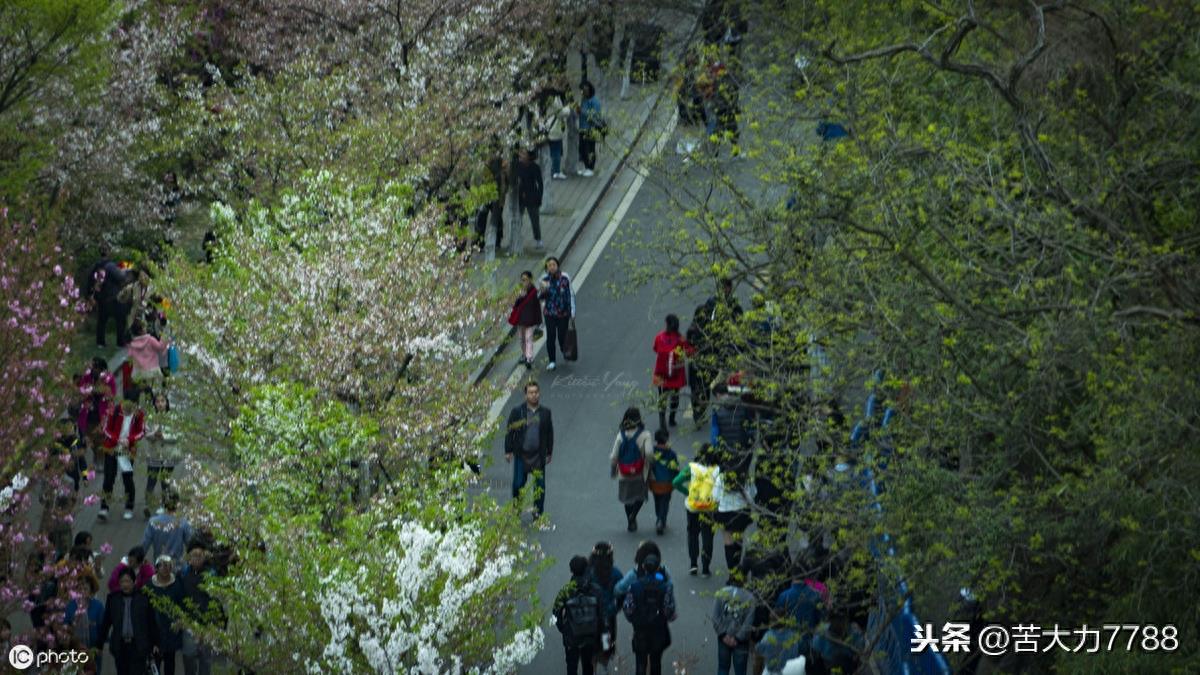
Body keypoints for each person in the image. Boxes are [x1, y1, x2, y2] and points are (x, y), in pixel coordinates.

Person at [620, 549, 677, 675]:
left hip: (640, 628)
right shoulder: (665, 586)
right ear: (658, 568)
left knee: (640, 660)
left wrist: (633, 619)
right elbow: (669, 608)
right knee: (656, 661)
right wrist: (668, 617)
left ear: (644, 567)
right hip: (659, 628)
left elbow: (628, 607)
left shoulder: (634, 586)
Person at [504, 381, 554, 518]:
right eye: (531, 393)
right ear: (526, 395)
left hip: (538, 455)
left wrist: (549, 451)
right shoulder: (517, 412)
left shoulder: (545, 413)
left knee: (540, 486)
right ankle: (516, 507)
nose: (534, 395)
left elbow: (549, 432)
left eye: (536, 392)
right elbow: (510, 431)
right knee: (518, 483)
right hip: (521, 454)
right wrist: (508, 451)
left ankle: (538, 512)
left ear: (539, 393)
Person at [99, 566, 158, 675]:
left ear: (134, 581)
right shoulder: (113, 599)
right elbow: (106, 623)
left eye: (128, 581)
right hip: (120, 646)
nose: (125, 585)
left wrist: (155, 643)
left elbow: (151, 622)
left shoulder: (144, 597)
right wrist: (99, 644)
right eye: (122, 582)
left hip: (138, 645)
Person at [672, 442, 719, 576]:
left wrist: (688, 493)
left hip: (693, 507)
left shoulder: (691, 468)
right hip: (710, 508)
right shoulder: (716, 470)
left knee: (692, 533)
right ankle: (705, 567)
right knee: (708, 536)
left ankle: (693, 564)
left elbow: (675, 482)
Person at [553, 555, 605, 675]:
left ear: (571, 570)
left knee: (571, 666)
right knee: (588, 666)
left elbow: (556, 611)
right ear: (587, 569)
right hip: (590, 635)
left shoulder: (566, 590)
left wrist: (563, 628)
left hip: (571, 635)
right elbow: (602, 613)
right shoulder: (595, 589)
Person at [100, 398, 146, 521]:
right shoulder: (113, 411)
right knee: (109, 478)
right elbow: (106, 429)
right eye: (124, 408)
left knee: (127, 478)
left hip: (127, 450)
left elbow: (142, 432)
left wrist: (129, 440)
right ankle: (104, 507)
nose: (125, 411)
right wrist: (116, 439)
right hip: (112, 448)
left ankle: (129, 507)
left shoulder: (139, 415)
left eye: (129, 409)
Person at [610, 407, 653, 532]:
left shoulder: (620, 435)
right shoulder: (645, 435)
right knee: (640, 496)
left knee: (627, 498)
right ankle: (633, 516)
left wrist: (613, 471)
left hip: (624, 473)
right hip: (640, 473)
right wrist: (649, 465)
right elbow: (649, 453)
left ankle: (630, 520)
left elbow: (614, 456)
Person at [652, 314, 694, 429]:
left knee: (662, 396)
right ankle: (672, 418)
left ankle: (662, 419)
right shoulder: (681, 339)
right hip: (676, 373)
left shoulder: (659, 337)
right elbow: (689, 352)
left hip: (661, 373)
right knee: (675, 396)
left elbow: (655, 349)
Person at [179, 544, 216, 675]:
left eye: (199, 556)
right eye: (193, 556)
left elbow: (215, 599)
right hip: (189, 621)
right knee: (188, 656)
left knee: (205, 659)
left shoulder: (210, 574)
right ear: (189, 558)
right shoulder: (184, 573)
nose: (196, 559)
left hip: (206, 622)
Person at [143, 391, 181, 517]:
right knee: (151, 479)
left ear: (167, 403)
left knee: (165, 481)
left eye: (162, 401)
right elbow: (146, 434)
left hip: (168, 454)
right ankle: (147, 505)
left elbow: (177, 435)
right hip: (154, 453)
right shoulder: (149, 417)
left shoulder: (173, 417)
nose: (160, 404)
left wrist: (164, 436)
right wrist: (154, 435)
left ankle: (164, 505)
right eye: (157, 401)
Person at [587, 542, 623, 674]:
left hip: (590, 616)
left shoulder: (588, 573)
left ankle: (593, 667)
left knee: (591, 644)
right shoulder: (616, 573)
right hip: (608, 616)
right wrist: (615, 608)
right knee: (606, 641)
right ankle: (605, 665)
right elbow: (622, 594)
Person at [147, 555, 186, 675]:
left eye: (168, 566)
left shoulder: (177, 584)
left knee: (170, 662)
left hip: (171, 629)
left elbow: (182, 604)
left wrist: (181, 620)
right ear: (157, 568)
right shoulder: (150, 585)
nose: (165, 568)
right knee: (155, 664)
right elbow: (145, 608)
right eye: (162, 566)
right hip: (155, 629)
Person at [713, 573, 756, 675]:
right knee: (740, 671)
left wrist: (723, 634)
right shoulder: (750, 598)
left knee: (723, 668)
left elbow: (715, 617)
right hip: (741, 641)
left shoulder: (721, 593)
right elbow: (749, 621)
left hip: (724, 636)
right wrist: (738, 638)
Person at [538, 257, 575, 370]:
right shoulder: (544, 279)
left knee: (561, 336)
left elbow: (571, 294)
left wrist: (572, 311)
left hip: (563, 313)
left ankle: (564, 351)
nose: (552, 267)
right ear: (547, 267)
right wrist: (544, 290)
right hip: (550, 313)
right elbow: (539, 297)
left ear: (558, 265)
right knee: (550, 337)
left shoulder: (565, 277)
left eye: (554, 264)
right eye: (549, 265)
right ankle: (552, 361)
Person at [87, 250, 130, 347]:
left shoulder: (95, 267)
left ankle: (100, 342)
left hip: (101, 298)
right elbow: (120, 277)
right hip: (113, 298)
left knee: (101, 321)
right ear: (108, 254)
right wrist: (124, 271)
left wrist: (90, 295)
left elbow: (90, 281)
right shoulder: (111, 266)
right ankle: (120, 342)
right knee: (120, 319)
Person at [64, 574, 105, 668]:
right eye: (79, 588)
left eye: (85, 588)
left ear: (91, 590)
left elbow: (103, 630)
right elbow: (65, 626)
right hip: (74, 651)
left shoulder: (98, 606)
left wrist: (99, 648)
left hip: (93, 651)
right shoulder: (70, 606)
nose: (82, 591)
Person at [125, 319, 170, 401]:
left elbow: (130, 357)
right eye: (144, 327)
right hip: (152, 372)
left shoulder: (131, 344)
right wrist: (164, 337)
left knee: (141, 394)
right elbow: (160, 347)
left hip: (138, 374)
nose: (146, 328)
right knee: (155, 394)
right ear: (141, 330)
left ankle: (143, 408)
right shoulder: (150, 340)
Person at [143, 491, 193, 562]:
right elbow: (190, 544)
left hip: (159, 563)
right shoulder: (183, 522)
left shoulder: (153, 521)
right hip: (176, 563)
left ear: (163, 504)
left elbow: (145, 544)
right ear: (177, 503)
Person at [647, 430, 680, 535]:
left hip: (655, 482)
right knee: (665, 502)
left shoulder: (652, 452)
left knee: (657, 500)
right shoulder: (671, 453)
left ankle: (659, 518)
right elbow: (675, 468)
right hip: (667, 482)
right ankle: (661, 520)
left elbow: (648, 466)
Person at [508, 271, 542, 369]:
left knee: (528, 339)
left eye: (526, 280)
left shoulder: (534, 292)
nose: (524, 282)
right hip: (520, 320)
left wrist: (539, 321)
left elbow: (537, 307)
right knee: (521, 340)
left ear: (530, 280)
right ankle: (524, 355)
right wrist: (519, 298)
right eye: (522, 280)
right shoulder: (519, 290)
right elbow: (514, 305)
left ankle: (529, 358)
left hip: (530, 321)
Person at [515, 148, 545, 249]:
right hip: (520, 196)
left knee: (534, 220)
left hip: (532, 197)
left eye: (523, 153)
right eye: (520, 153)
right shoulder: (517, 166)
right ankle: (516, 238)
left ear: (529, 156)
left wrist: (539, 197)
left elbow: (540, 184)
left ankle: (538, 239)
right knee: (517, 219)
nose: (521, 155)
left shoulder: (535, 167)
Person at [540, 88, 572, 179]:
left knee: (551, 151)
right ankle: (556, 171)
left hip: (547, 127)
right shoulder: (554, 100)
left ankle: (551, 170)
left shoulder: (544, 99)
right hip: (554, 129)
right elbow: (561, 113)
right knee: (556, 151)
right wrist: (568, 107)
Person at [576, 81, 601, 176]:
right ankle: (586, 166)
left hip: (591, 129)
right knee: (582, 148)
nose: (582, 93)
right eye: (581, 91)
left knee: (590, 148)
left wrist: (581, 111)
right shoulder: (584, 100)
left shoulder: (594, 101)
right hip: (582, 128)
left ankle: (591, 167)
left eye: (584, 90)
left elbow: (595, 115)